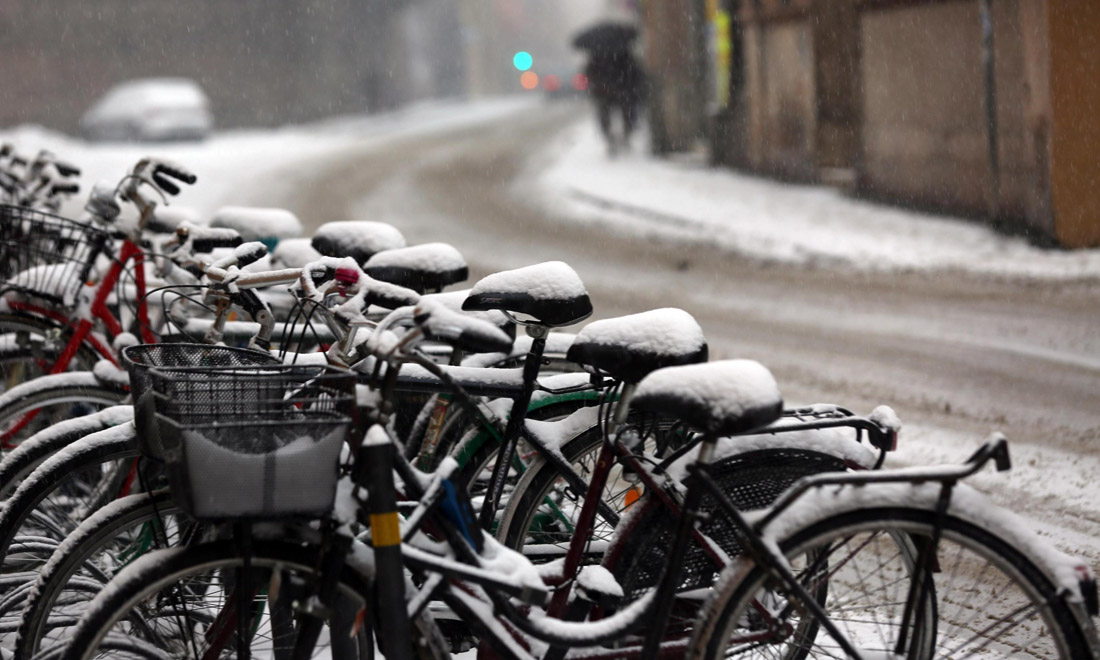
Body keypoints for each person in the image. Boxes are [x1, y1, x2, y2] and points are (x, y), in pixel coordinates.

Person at [583, 47, 647, 156]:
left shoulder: (596, 56)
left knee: (606, 115)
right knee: (626, 113)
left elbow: (589, 74)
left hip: (605, 92)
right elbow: (634, 71)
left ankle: (611, 137)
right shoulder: (625, 54)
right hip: (622, 91)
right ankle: (625, 134)